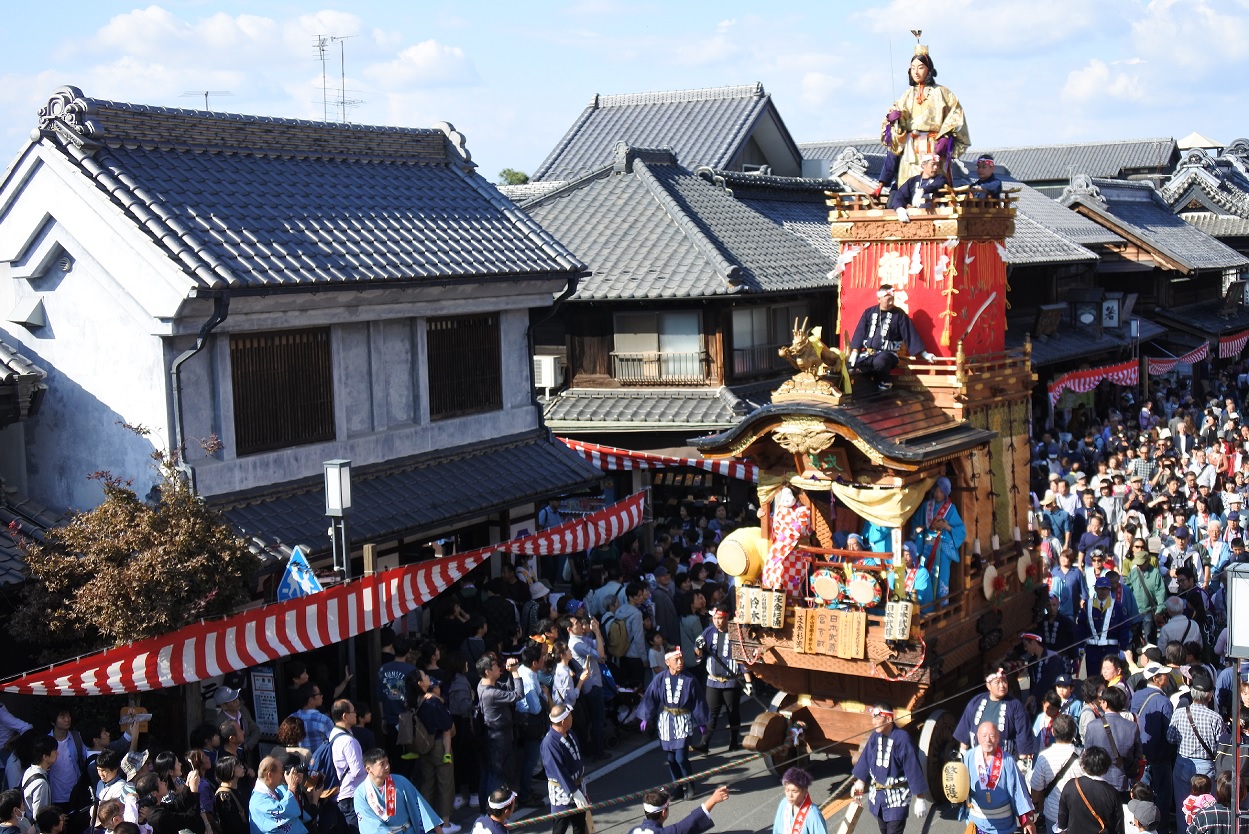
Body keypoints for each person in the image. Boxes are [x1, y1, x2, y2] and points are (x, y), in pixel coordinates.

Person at [874, 39, 969, 191]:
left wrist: (946, 137)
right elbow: (892, 123)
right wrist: (894, 122)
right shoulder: (906, 95)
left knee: (934, 185)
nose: (916, 72)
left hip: (934, 146)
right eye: (913, 68)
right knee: (908, 185)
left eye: (920, 67)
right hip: (911, 149)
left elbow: (956, 117)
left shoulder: (942, 93)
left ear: (929, 69)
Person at [638, 650, 709, 802]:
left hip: (682, 720)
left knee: (681, 758)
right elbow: (651, 697)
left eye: (681, 659)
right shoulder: (660, 678)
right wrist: (646, 717)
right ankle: (677, 787)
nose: (680, 662)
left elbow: (698, 701)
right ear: (667, 662)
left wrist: (701, 722)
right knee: (670, 758)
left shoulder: (690, 680)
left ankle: (690, 785)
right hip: (666, 720)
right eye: (676, 660)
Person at [850, 704, 930, 833]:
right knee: (883, 830)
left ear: (888, 719)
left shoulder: (902, 739)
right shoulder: (875, 737)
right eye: (873, 718)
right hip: (878, 796)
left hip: (897, 797)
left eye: (877, 718)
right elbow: (866, 759)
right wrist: (860, 781)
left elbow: (913, 769)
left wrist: (920, 798)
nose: (874, 722)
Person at [847, 285, 936, 391]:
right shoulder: (869, 312)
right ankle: (867, 385)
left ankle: (885, 382)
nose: (891, 302)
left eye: (892, 299)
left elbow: (910, 334)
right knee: (851, 365)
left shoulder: (899, 314)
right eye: (888, 299)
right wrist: (855, 352)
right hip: (868, 353)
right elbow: (860, 332)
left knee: (880, 362)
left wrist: (924, 354)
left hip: (888, 354)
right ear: (879, 299)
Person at [1166, 668, 1222, 834]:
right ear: (1210, 696)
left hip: (1183, 763)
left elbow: (1170, 738)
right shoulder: (1215, 718)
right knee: (1206, 806)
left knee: (1184, 807)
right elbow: (1220, 746)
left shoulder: (1179, 713)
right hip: (1206, 767)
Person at [694, 603, 751, 754]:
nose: (718, 622)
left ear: (727, 617)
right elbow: (698, 653)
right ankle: (704, 743)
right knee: (711, 713)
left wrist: (748, 682)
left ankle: (734, 741)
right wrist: (698, 648)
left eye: (721, 618)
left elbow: (742, 660)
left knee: (733, 712)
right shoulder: (708, 632)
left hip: (732, 680)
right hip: (713, 680)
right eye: (715, 619)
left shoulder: (736, 633)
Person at [960, 722, 1035, 834]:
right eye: (984, 736)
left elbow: (1018, 791)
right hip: (977, 822)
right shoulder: (969, 757)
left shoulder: (1008, 760)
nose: (988, 740)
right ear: (978, 737)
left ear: (998, 738)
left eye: (992, 736)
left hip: (1003, 824)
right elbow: (961, 786)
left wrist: (1025, 819)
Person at [475, 655, 525, 813]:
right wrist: (516, 673)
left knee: (489, 773)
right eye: (496, 666)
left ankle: (485, 809)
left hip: (491, 736)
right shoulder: (490, 694)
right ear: (488, 672)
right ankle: (491, 811)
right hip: (498, 737)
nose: (499, 668)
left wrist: (510, 673)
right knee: (496, 775)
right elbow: (517, 695)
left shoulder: (482, 685)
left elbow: (505, 688)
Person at [955, 668, 1035, 764]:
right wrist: (961, 756)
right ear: (988, 685)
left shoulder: (1015, 705)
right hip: (977, 759)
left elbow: (1023, 734)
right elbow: (965, 729)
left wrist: (1023, 761)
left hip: (1004, 760)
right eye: (997, 682)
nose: (1002, 686)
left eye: (1004, 681)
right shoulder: (976, 702)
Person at [352, 750, 441, 834]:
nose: (387, 767)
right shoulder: (360, 794)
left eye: (387, 762)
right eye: (382, 764)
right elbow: (370, 824)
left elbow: (421, 807)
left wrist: (438, 830)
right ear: (368, 769)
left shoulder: (400, 781)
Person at [1131, 662, 1175, 822]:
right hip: (1160, 756)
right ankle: (1160, 828)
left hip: (1140, 755)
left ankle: (1141, 824)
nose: (1168, 676)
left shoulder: (1136, 695)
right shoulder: (1164, 702)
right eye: (1165, 675)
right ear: (1156, 679)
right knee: (1163, 795)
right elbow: (1170, 733)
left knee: (1141, 795)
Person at [1081, 686, 1141, 795]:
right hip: (1124, 782)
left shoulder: (1093, 726)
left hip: (1098, 781)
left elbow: (1087, 754)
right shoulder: (1132, 727)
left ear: (1105, 703)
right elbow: (1138, 754)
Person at [1027, 714, 1081, 834]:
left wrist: (1036, 805)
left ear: (1053, 731)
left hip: (1053, 813)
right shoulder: (1083, 756)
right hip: (1079, 813)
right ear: (1074, 733)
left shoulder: (1044, 757)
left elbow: (1036, 788)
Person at [541, 705, 587, 834]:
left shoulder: (570, 733)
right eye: (570, 716)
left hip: (578, 785)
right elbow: (558, 770)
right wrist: (573, 791)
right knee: (560, 827)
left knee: (580, 825)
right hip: (562, 790)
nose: (572, 717)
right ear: (563, 721)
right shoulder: (549, 742)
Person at [1055, 746, 1122, 834]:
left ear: (1084, 764)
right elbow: (1118, 827)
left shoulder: (1071, 785)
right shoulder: (1112, 793)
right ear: (1106, 766)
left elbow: (1062, 819)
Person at [626, 784, 730, 834]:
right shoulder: (664, 833)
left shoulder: (632, 831)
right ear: (663, 812)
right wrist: (713, 800)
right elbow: (689, 823)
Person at [329, 700, 366, 834]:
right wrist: (370, 768)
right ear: (345, 716)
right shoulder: (349, 741)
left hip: (339, 794)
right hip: (351, 795)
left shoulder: (333, 734)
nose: (356, 714)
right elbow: (357, 770)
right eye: (353, 712)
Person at [249, 756, 307, 834]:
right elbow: (282, 812)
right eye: (281, 773)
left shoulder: (275, 790)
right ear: (270, 775)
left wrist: (295, 785)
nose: (283, 776)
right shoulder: (258, 800)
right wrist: (291, 789)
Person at [1084, 577, 1129, 676]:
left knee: (1109, 679)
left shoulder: (1118, 607)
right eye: (1100, 588)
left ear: (1109, 590)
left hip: (1111, 650)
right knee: (1093, 679)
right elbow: (1081, 627)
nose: (1102, 591)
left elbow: (1124, 628)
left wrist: (1123, 648)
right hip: (1092, 650)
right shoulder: (1087, 605)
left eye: (1105, 589)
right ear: (1095, 589)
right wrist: (1079, 647)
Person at [886, 154, 948, 222]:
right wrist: (900, 209)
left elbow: (936, 185)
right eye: (933, 164)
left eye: (938, 165)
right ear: (923, 165)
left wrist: (923, 190)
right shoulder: (913, 181)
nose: (936, 167)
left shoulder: (940, 178)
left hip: (933, 216)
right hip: (914, 218)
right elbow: (900, 195)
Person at [771, 768, 827, 834]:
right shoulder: (784, 803)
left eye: (794, 791)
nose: (790, 795)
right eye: (787, 790)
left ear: (805, 791)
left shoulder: (812, 814)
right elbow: (776, 830)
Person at [888, 541, 934, 613]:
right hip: (902, 608)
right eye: (902, 555)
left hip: (920, 610)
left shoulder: (922, 572)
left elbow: (918, 597)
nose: (904, 558)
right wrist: (893, 573)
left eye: (908, 555)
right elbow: (890, 588)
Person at [213, 757, 248, 834]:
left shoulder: (238, 788)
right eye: (238, 766)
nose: (242, 767)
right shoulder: (224, 795)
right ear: (229, 770)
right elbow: (232, 824)